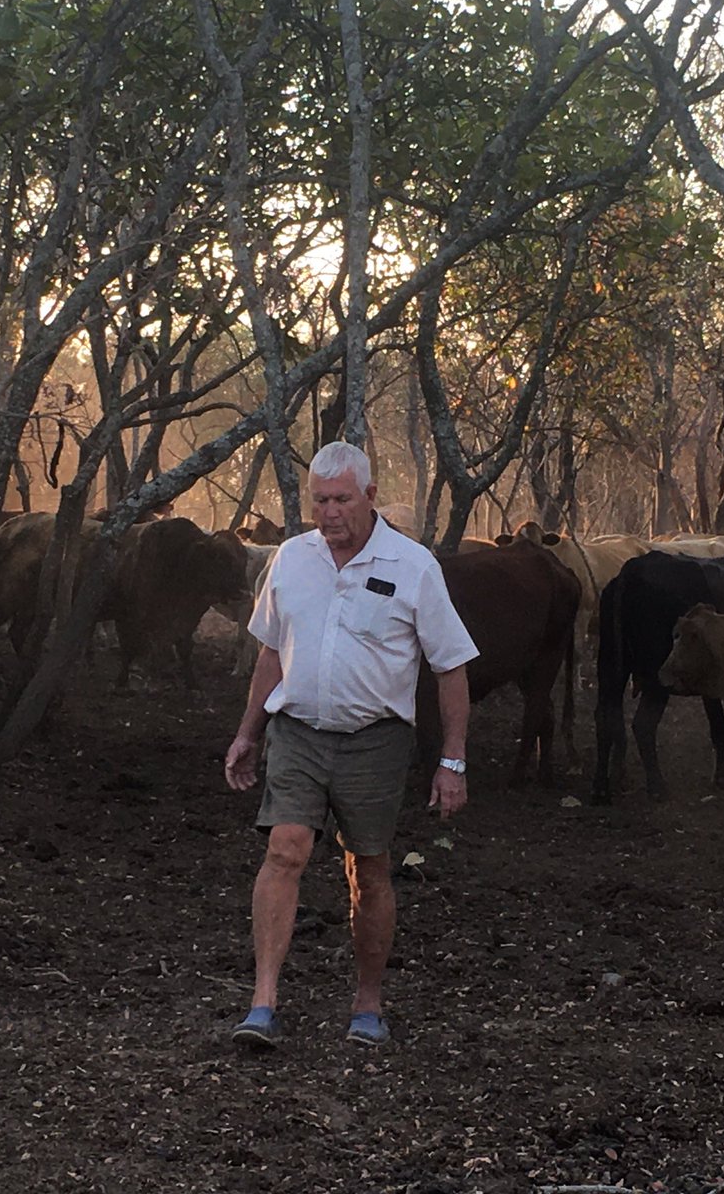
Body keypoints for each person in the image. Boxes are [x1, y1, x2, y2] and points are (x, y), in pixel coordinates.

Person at [224, 441, 478, 1047]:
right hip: (299, 732)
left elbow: (450, 667)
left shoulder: (413, 566)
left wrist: (452, 761)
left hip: (376, 741)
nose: (329, 511)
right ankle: (262, 1002)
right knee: (285, 850)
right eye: (319, 500)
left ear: (369, 497)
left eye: (341, 499)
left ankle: (368, 1003)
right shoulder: (290, 559)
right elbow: (269, 651)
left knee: (368, 868)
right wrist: (248, 732)